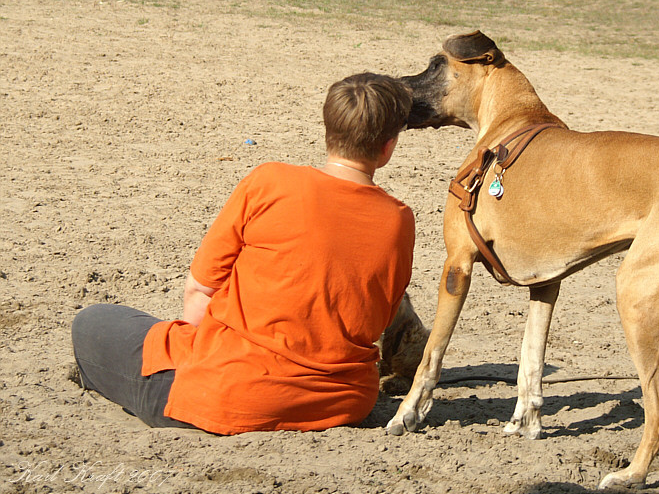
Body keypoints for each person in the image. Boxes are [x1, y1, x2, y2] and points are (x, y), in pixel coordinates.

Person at [71, 73, 416, 434]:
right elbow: (377, 319)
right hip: (340, 403)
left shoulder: (271, 181)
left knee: (93, 322)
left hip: (229, 393)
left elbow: (200, 289)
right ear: (388, 147)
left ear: (329, 129)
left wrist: (199, 362)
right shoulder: (399, 220)